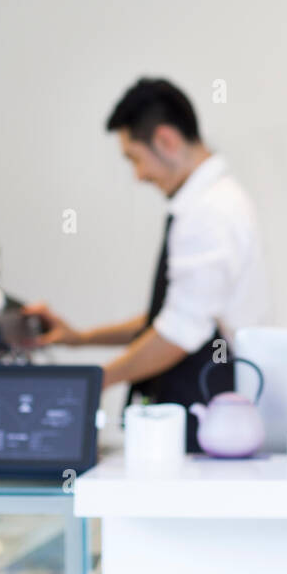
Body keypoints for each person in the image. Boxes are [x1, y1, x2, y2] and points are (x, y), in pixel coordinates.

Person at [26, 78, 269, 453]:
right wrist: (81, 340)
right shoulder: (204, 204)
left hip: (204, 420)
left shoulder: (211, 211)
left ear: (167, 141)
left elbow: (180, 332)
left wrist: (93, 381)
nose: (138, 175)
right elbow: (170, 319)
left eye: (134, 158)